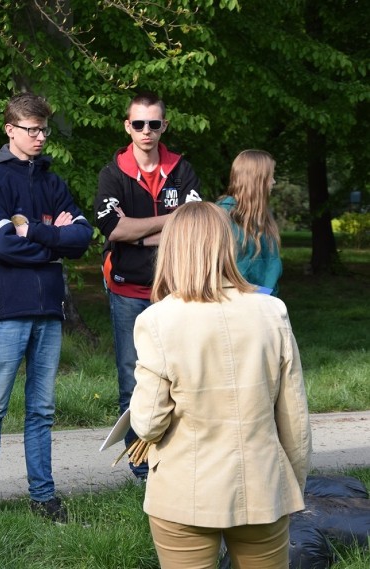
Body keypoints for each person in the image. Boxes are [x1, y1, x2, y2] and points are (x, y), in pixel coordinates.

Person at [129, 201, 311, 568]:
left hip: (184, 493)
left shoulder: (157, 320)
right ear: (227, 245)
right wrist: (293, 487)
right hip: (263, 487)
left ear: (173, 250)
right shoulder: (272, 311)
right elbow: (295, 419)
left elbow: (147, 423)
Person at [0, 92, 93, 522]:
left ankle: (44, 496)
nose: (40, 138)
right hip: (7, 312)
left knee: (41, 410)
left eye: (43, 130)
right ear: (10, 130)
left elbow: (83, 236)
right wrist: (51, 239)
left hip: (48, 312)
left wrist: (34, 234)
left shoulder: (53, 182)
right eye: (31, 130)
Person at [92, 91, 202, 481]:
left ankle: (176, 459)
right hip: (127, 290)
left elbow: (192, 224)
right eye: (139, 124)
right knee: (132, 377)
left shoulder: (182, 169)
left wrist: (136, 234)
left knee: (181, 377)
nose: (146, 131)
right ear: (128, 126)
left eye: (154, 124)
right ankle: (141, 467)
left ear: (164, 127)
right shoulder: (113, 173)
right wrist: (165, 223)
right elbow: (113, 228)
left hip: (175, 290)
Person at [216, 149, 282, 295]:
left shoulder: (263, 217)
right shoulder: (222, 218)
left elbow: (271, 267)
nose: (273, 182)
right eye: (271, 176)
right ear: (258, 179)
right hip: (233, 304)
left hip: (263, 302)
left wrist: (265, 298)